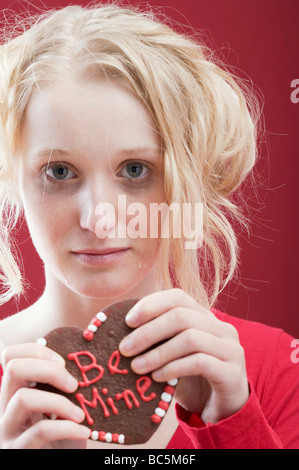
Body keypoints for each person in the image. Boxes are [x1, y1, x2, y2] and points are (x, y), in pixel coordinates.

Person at [0, 2, 298, 449]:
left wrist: (235, 424)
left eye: (135, 170)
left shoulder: (276, 369)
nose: (99, 219)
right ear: (11, 179)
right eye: (59, 172)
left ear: (191, 176)